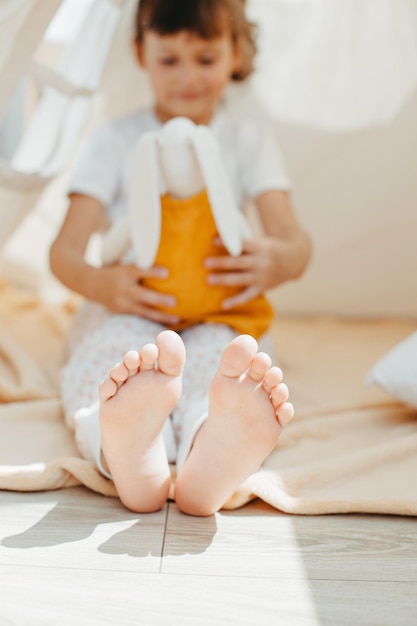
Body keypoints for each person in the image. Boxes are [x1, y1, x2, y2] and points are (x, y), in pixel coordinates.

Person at [50, 0, 311, 517]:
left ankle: (210, 450)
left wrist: (273, 260)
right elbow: (64, 253)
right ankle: (126, 450)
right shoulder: (113, 140)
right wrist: (104, 286)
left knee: (229, 364)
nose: (187, 77)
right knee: (115, 361)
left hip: (220, 311)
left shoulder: (246, 141)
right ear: (140, 53)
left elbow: (296, 244)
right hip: (131, 309)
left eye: (206, 59)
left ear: (235, 53)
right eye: (169, 60)